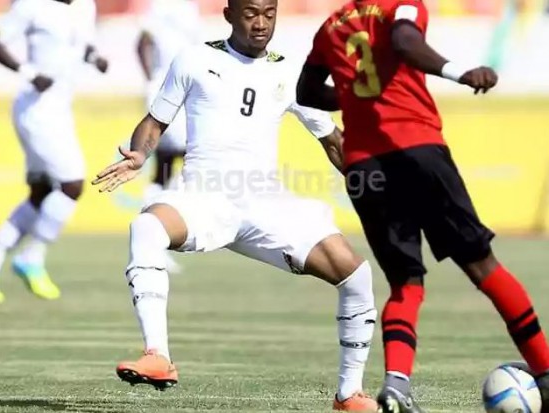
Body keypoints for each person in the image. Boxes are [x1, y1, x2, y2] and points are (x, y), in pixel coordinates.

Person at [93, 0, 378, 411]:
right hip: (204, 198)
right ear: (229, 15)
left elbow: (333, 140)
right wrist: (140, 154)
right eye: (249, 14)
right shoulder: (194, 60)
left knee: (356, 275)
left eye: (268, 13)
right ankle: (157, 355)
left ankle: (348, 394)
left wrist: (370, 177)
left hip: (267, 203)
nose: (260, 24)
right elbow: (155, 123)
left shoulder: (289, 72)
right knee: (146, 227)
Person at [296, 1, 549, 412]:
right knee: (484, 268)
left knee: (405, 284)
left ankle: (396, 385)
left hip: (364, 167)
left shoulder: (330, 27)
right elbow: (404, 40)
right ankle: (546, 372)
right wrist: (460, 72)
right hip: (417, 151)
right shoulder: (402, 6)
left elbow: (305, 92)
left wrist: (354, 94)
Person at [0, 0, 108, 302]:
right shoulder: (31, 5)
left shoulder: (85, 6)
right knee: (72, 184)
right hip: (36, 110)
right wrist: (28, 72)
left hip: (60, 109)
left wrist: (95, 58)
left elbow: (79, 44)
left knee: (42, 192)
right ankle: (32, 255)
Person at [136, 0, 202, 274]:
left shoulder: (190, 8)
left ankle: (150, 236)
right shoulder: (165, 5)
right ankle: (151, 233)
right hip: (166, 92)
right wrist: (152, 79)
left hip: (182, 92)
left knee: (165, 167)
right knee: (192, 156)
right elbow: (142, 41)